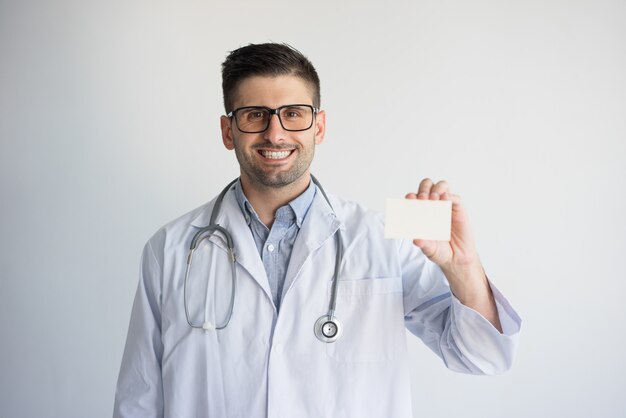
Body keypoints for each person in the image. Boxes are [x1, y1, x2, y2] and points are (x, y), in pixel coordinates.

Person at [114, 43, 521, 418]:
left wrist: (463, 266)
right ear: (227, 131)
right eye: (255, 115)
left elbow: (484, 357)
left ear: (319, 127)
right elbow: (139, 399)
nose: (275, 133)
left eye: (293, 114)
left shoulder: (382, 241)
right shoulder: (171, 249)